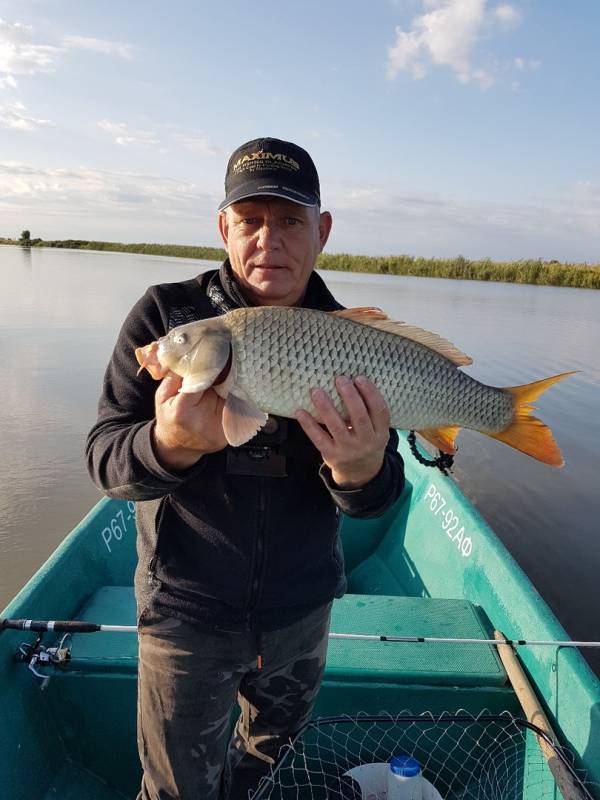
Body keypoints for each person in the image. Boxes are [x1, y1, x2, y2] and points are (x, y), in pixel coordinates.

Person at [85, 137, 405, 800]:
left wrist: (360, 468)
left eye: (289, 221)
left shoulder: (349, 336)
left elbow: (377, 502)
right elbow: (106, 462)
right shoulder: (167, 318)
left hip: (301, 613)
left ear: (322, 232)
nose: (270, 240)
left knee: (271, 774)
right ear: (223, 227)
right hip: (185, 613)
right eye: (251, 220)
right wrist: (170, 443)